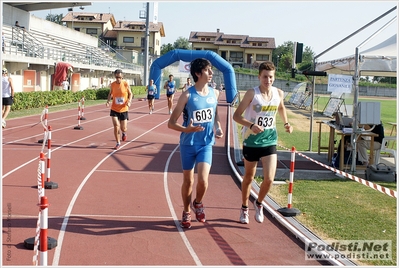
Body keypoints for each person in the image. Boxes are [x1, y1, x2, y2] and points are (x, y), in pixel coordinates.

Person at [233, 61, 293, 224]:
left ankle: (259, 203)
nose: (268, 80)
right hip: (251, 141)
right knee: (249, 177)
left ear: (274, 77)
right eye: (265, 77)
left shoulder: (278, 93)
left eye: (271, 77)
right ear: (259, 77)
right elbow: (236, 116)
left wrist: (286, 123)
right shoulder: (252, 94)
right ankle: (244, 207)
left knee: (269, 179)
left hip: (269, 140)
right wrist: (251, 125)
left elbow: (281, 108)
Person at [168, 58, 223, 228]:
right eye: (208, 70)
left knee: (203, 181)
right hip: (188, 143)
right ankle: (186, 210)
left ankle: (198, 202)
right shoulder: (187, 95)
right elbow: (171, 123)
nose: (211, 73)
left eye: (211, 69)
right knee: (189, 181)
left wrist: (218, 127)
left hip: (206, 143)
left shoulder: (215, 93)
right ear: (198, 73)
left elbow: (215, 114)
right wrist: (187, 129)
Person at [106, 69, 133, 150]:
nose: (118, 79)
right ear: (115, 76)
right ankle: (118, 142)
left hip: (124, 109)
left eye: (120, 77)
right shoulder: (112, 84)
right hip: (114, 109)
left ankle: (124, 133)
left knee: (123, 128)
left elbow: (130, 94)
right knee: (116, 126)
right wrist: (108, 101)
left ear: (122, 77)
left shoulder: (125, 84)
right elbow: (110, 94)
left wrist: (129, 101)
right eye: (117, 77)